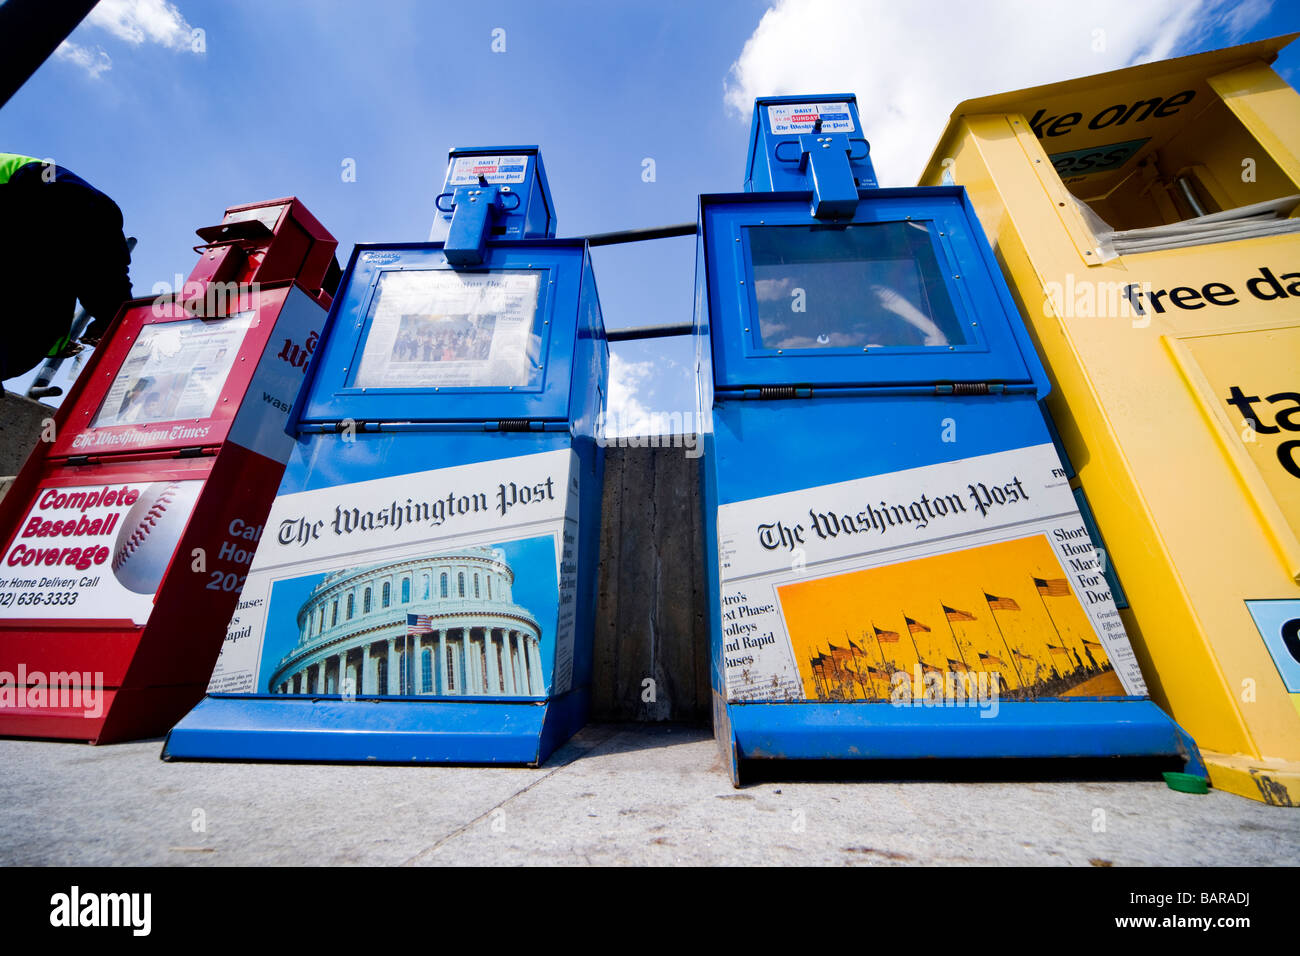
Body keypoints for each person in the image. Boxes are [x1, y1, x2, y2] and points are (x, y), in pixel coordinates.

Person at [0, 152, 133, 381]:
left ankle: (110, 318)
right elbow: (103, 270)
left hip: (32, 186)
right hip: (94, 205)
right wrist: (109, 317)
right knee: (45, 311)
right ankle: (112, 319)